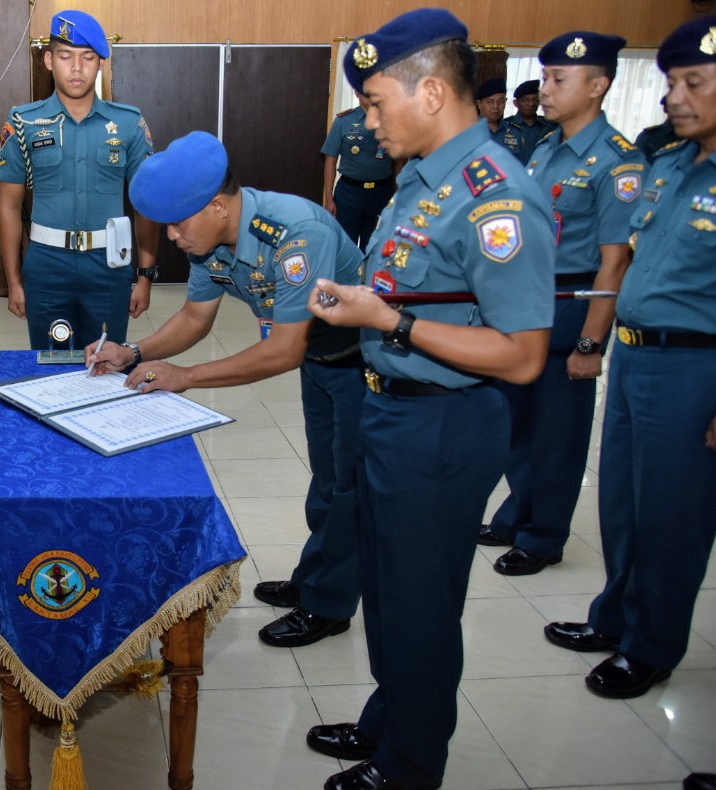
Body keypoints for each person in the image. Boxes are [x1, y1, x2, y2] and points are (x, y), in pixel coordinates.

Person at [302, 10, 555, 789]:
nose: (368, 123)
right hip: (392, 410)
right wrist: (364, 307)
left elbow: (522, 354)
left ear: (434, 93)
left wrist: (392, 322)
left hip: (442, 425)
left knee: (420, 603)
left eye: (377, 104)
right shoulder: (421, 179)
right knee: (388, 590)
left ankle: (410, 765)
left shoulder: (495, 197)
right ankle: (391, 721)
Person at [87, 130, 365, 649]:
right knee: (328, 480)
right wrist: (133, 352)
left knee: (349, 486)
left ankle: (329, 605)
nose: (172, 236)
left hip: (364, 365)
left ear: (217, 205)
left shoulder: (296, 233)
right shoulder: (209, 241)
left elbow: (284, 350)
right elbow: (195, 318)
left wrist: (187, 376)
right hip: (322, 360)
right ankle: (315, 578)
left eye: (178, 223)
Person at [544, 14, 716, 701]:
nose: (674, 97)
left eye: (694, 82)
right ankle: (614, 617)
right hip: (638, 357)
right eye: (672, 83)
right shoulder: (671, 165)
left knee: (674, 515)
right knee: (623, 501)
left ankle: (652, 645)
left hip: (695, 368)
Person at [480, 32, 645, 576]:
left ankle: (544, 534)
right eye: (545, 77)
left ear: (597, 86)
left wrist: (590, 345)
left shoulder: (617, 163)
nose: (544, 90)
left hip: (572, 303)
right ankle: (517, 513)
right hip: (527, 303)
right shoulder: (547, 148)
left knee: (557, 433)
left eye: (558, 79)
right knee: (517, 422)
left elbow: (614, 264)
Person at [0, 9, 159, 350]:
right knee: (50, 365)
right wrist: (13, 282)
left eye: (87, 57)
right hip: (46, 265)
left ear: (100, 64)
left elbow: (146, 205)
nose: (76, 67)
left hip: (108, 266)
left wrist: (145, 276)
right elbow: (8, 208)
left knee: (107, 363)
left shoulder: (128, 124)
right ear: (48, 60)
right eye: (65, 56)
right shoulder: (23, 123)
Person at [321, 92, 395, 250]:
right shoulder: (343, 121)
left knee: (375, 247)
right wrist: (328, 199)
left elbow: (399, 162)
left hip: (381, 193)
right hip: (349, 194)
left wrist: (397, 195)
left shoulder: (391, 121)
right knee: (346, 247)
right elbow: (330, 160)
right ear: (356, 92)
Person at [496, 79, 559, 164]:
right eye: (525, 100)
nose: (531, 104)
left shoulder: (550, 127)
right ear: (515, 103)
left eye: (535, 99)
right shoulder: (503, 126)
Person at [634, 96, 680, 162]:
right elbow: (634, 164)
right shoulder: (649, 137)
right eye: (676, 107)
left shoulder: (693, 139)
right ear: (665, 108)